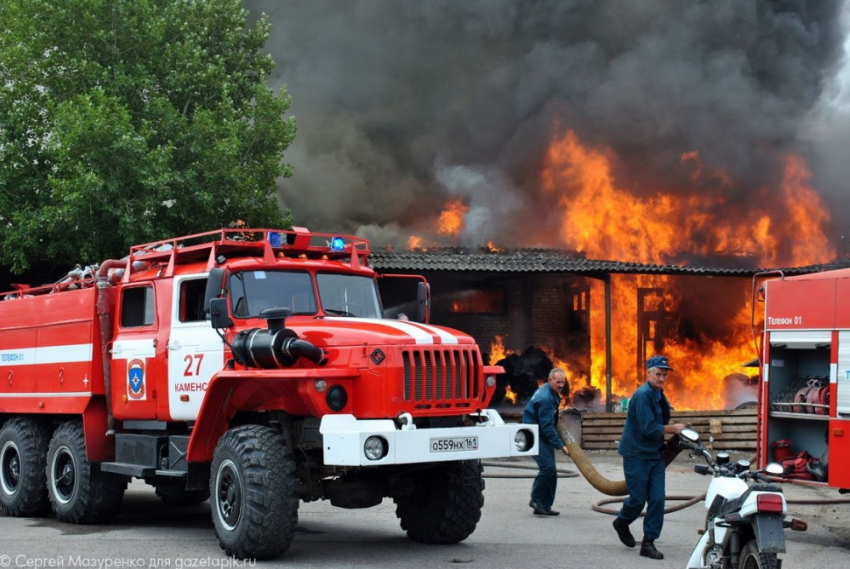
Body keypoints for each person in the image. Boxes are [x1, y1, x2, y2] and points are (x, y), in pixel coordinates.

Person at [612, 355, 686, 560]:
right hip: (636, 454)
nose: (662, 378)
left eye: (664, 375)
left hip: (654, 455)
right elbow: (648, 428)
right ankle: (622, 522)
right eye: (658, 374)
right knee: (637, 499)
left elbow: (663, 417)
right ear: (649, 373)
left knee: (657, 499)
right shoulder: (643, 395)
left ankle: (648, 542)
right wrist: (674, 429)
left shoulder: (658, 394)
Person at [522, 368, 570, 516]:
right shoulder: (546, 399)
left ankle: (545, 506)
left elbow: (549, 420)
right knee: (547, 468)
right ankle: (535, 500)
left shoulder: (551, 393)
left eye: (562, 382)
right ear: (550, 381)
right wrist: (560, 446)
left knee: (552, 472)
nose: (560, 385)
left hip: (542, 434)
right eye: (558, 382)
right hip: (534, 435)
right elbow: (547, 426)